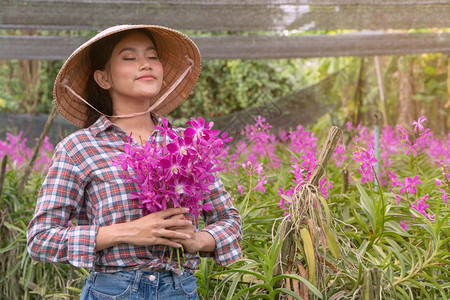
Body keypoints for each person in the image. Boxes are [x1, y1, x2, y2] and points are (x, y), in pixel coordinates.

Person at [27, 25, 242, 300]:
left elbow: (230, 221)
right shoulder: (79, 148)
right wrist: (126, 232)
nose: (145, 64)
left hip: (180, 290)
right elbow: (41, 239)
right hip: (113, 291)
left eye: (152, 57)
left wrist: (196, 241)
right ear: (103, 78)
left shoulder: (187, 145)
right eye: (129, 58)